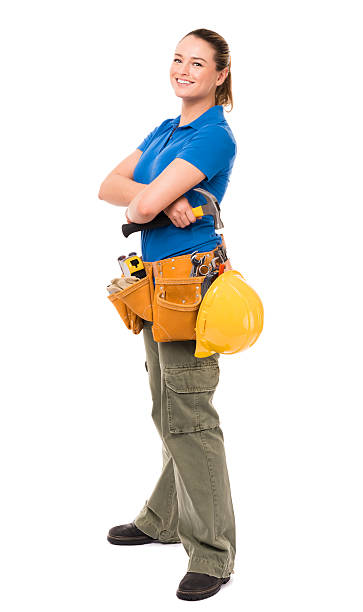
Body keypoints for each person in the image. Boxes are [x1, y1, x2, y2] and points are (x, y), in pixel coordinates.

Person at [99, 28, 237, 602]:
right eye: (178, 59)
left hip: (189, 287)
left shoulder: (213, 137)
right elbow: (108, 186)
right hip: (154, 286)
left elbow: (141, 203)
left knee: (190, 416)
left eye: (197, 63)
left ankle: (214, 553)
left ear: (220, 75)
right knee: (166, 405)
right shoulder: (166, 130)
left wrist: (155, 199)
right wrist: (162, 197)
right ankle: (161, 518)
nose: (183, 70)